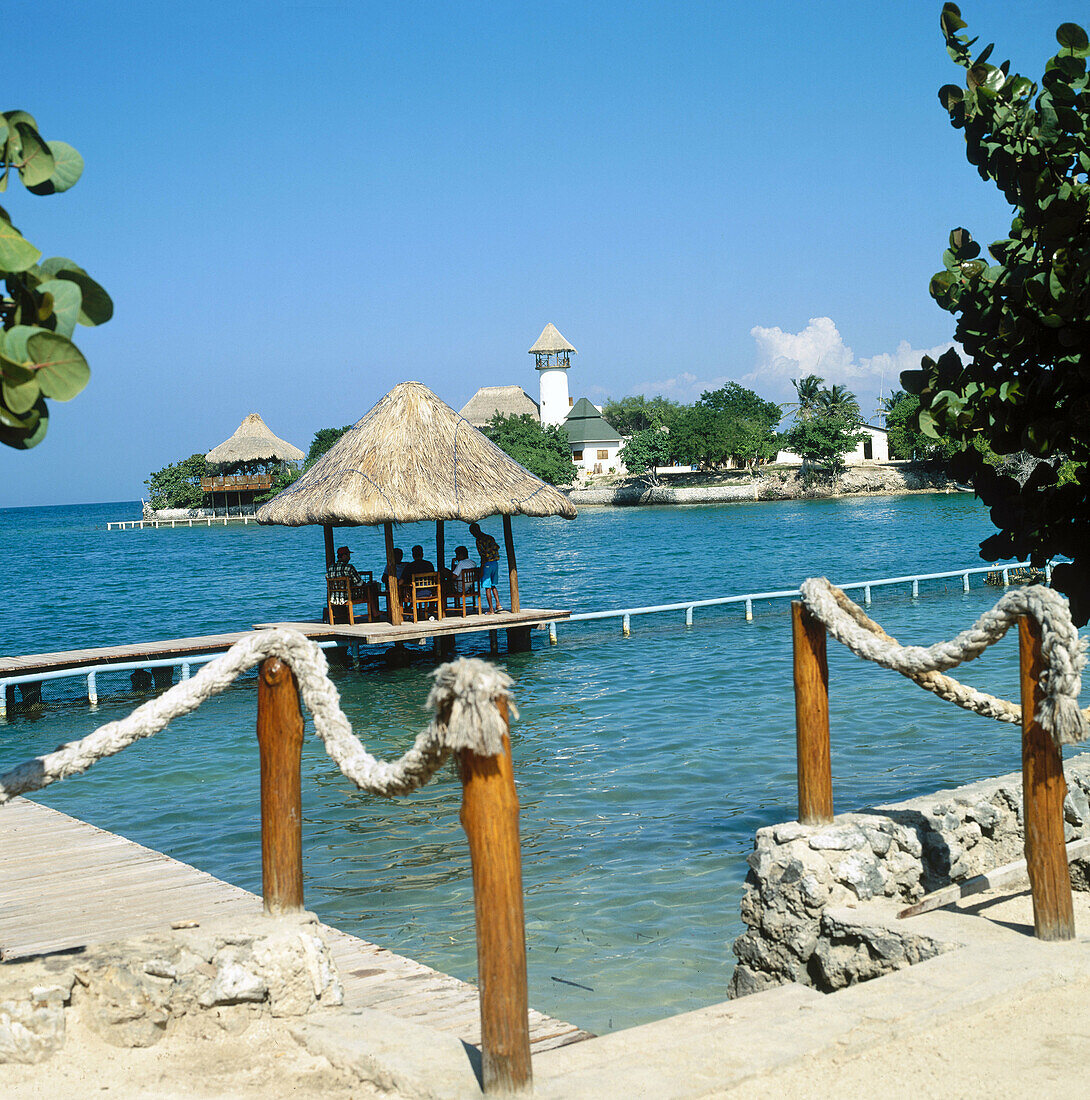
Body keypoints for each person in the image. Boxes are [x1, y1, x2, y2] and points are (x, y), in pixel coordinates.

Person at [468, 522, 503, 613]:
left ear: (474, 532)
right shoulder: (490, 537)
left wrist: (482, 568)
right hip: (495, 563)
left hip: (487, 563)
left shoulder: (479, 540)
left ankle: (491, 609)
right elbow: (497, 548)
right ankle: (498, 604)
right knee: (493, 585)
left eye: (472, 532)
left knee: (487, 587)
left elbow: (483, 555)